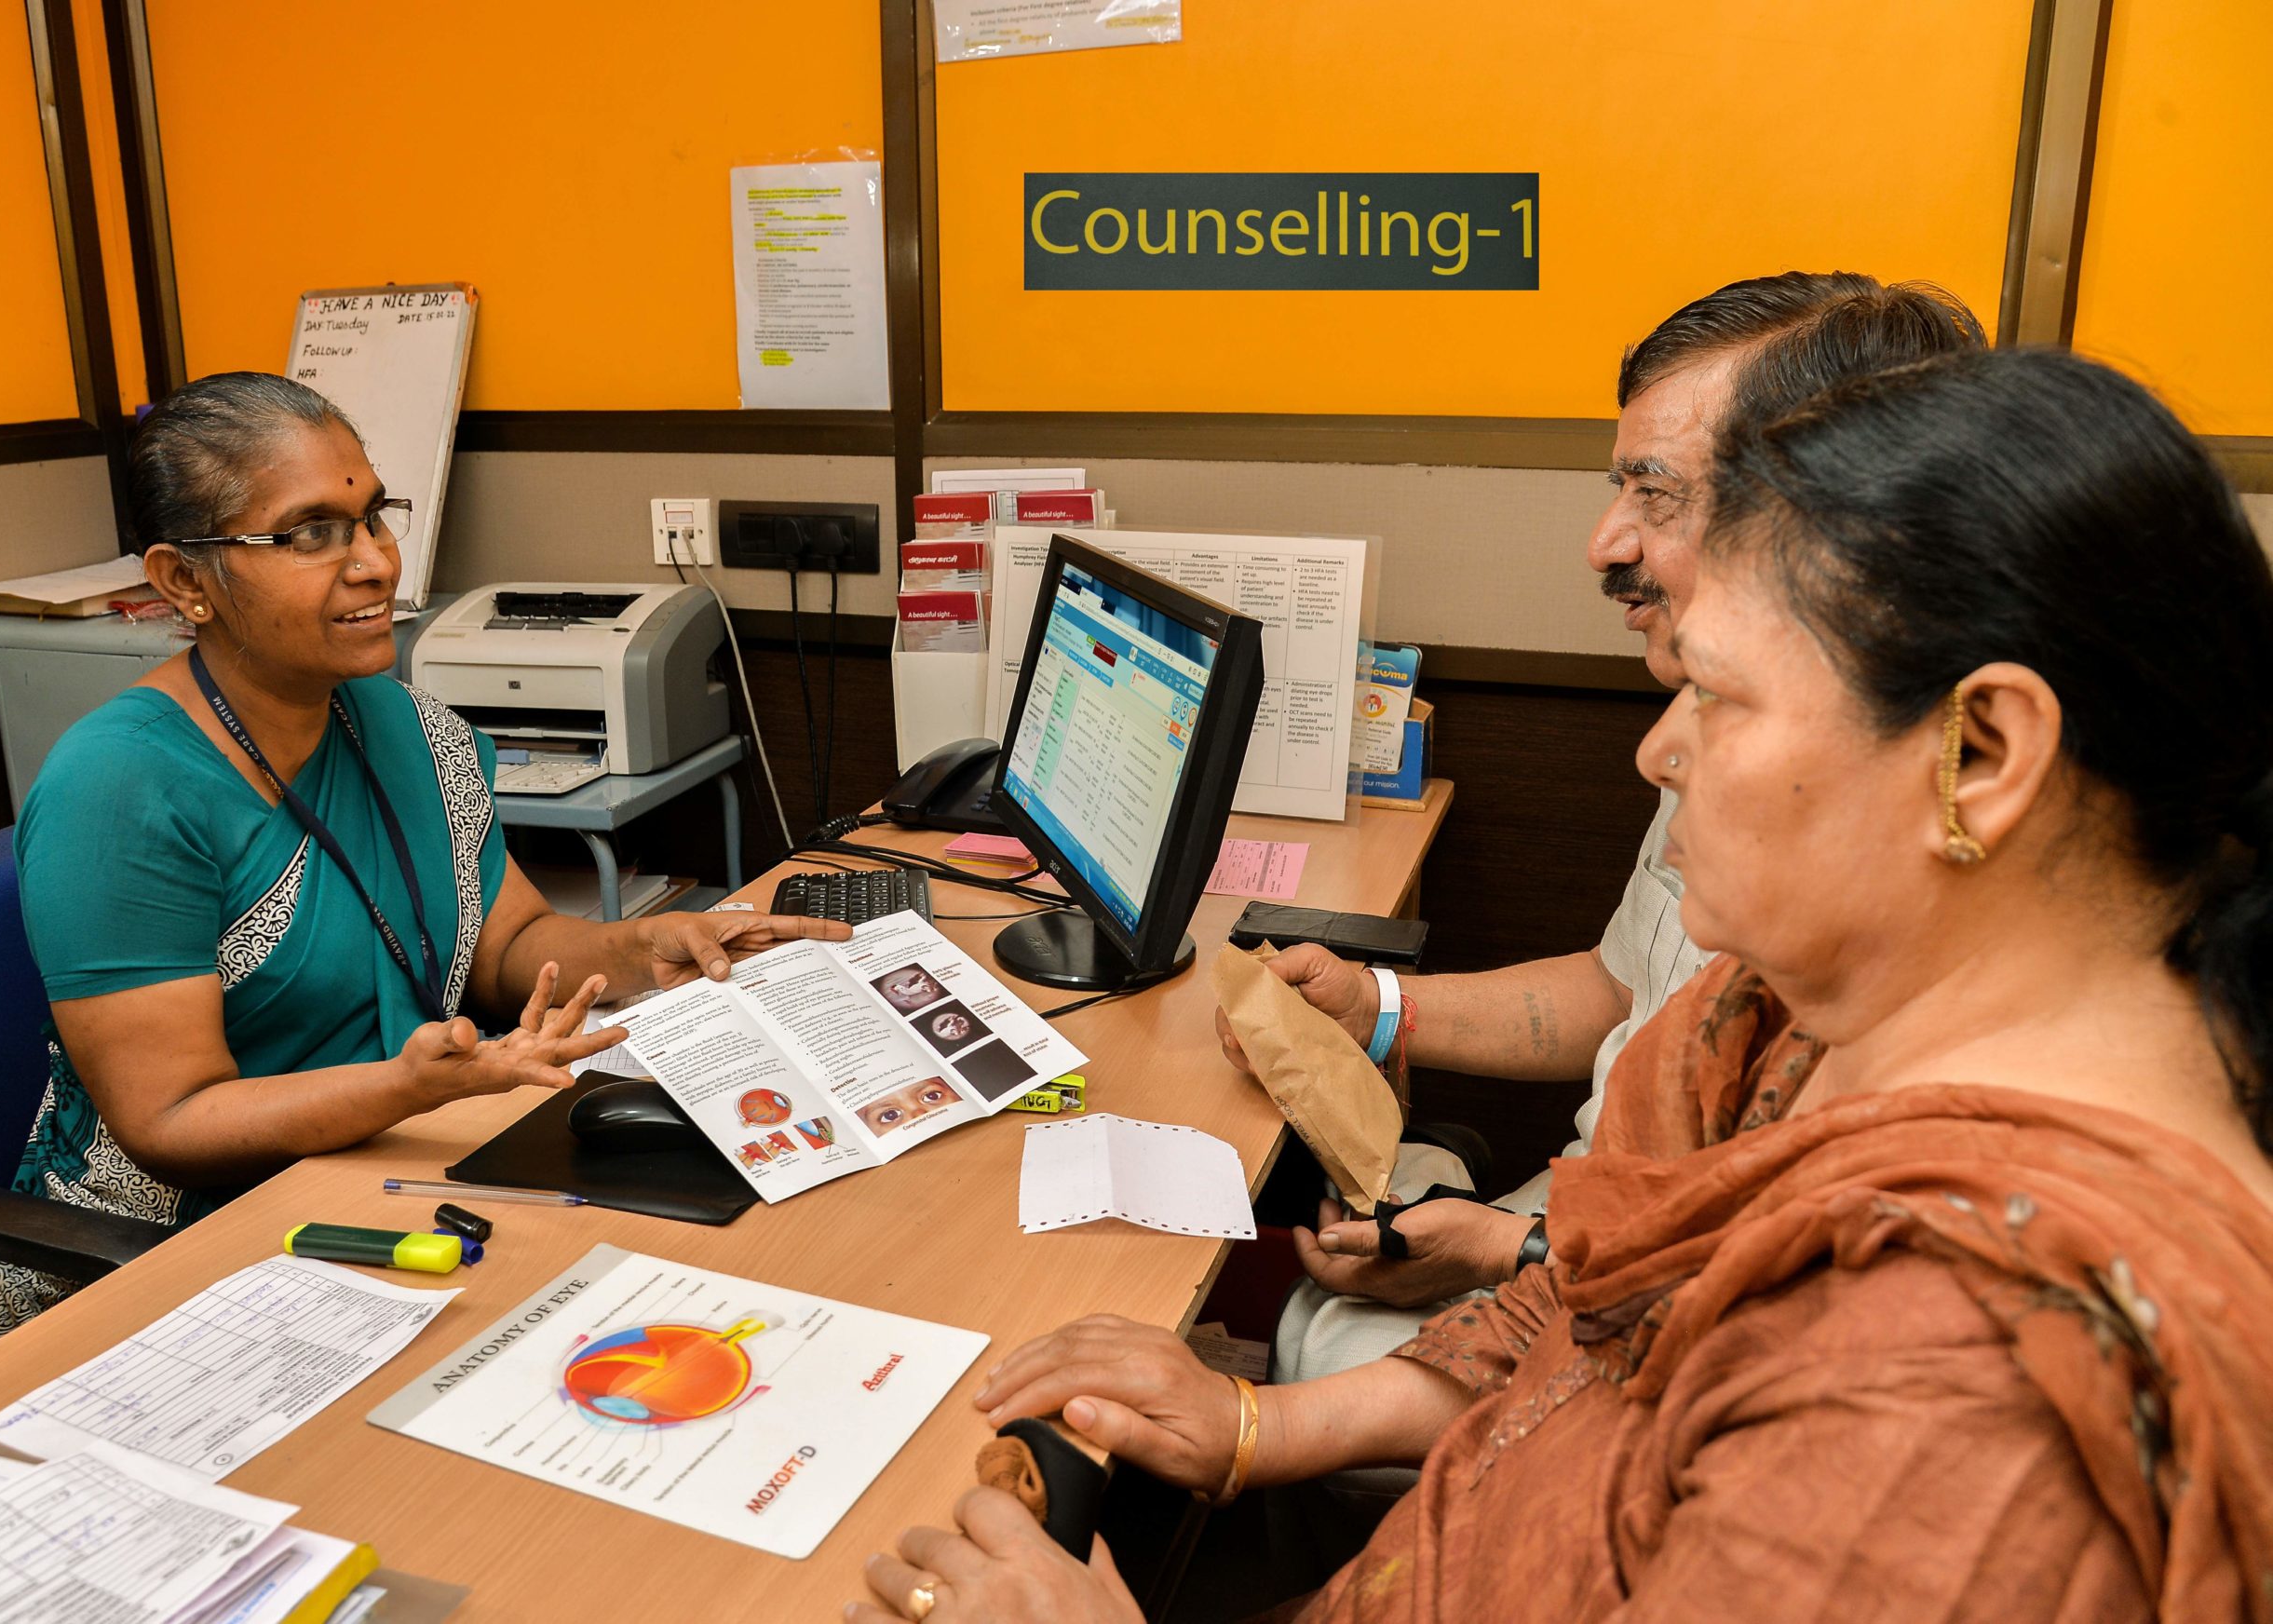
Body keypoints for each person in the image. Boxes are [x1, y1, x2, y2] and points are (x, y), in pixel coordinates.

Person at [855, 345, 2273, 1624]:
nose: (1658, 752)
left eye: (1714, 697)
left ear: (1981, 753)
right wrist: (1251, 1431)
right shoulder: (1787, 1021)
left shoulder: (1959, 1408)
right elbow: (1591, 1311)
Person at [1238, 274, 1986, 1380]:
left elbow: (1788, 1278)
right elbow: (1626, 982)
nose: (1603, 541)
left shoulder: (1918, 842)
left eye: (1656, 493)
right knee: (1305, 1327)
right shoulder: (1712, 711)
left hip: (1675, 1301)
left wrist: (1513, 1247)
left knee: (1316, 1345)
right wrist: (1376, 1005)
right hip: (1601, 1212)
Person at [0, 372, 847, 1332]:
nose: (371, 562)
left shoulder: (409, 726)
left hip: (400, 1178)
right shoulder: (118, 788)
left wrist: (635, 954)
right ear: (186, 580)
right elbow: (172, 1121)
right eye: (309, 532)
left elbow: (505, 938)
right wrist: (407, 1087)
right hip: (174, 1258)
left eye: (372, 517)